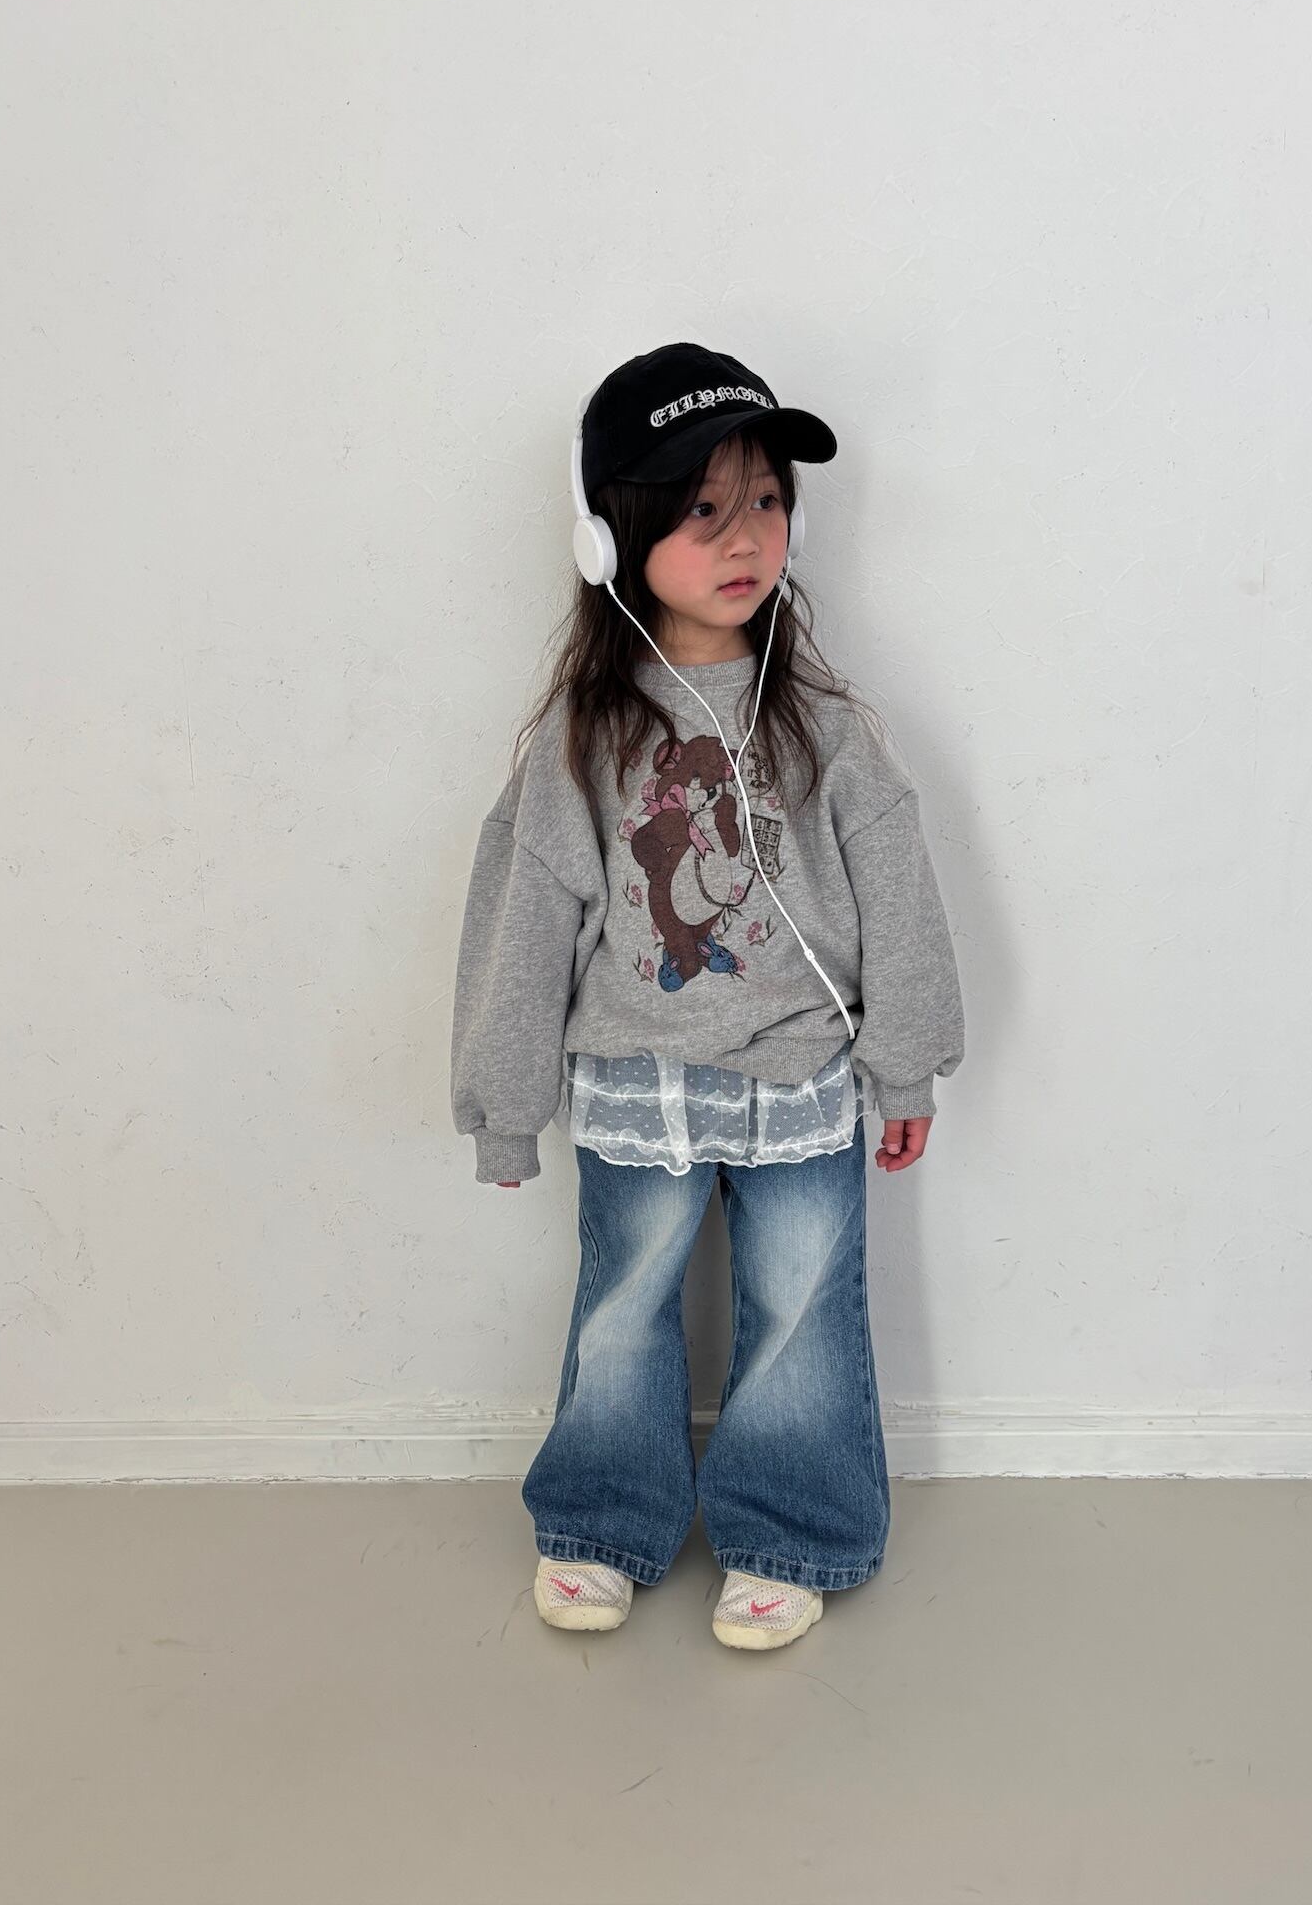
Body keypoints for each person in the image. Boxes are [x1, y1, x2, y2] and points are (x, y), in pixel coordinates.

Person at [450, 341, 965, 1650]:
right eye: (702, 510)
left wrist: (906, 1062)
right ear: (610, 538)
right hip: (640, 1081)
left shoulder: (830, 727)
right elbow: (525, 919)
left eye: (768, 501)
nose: (745, 538)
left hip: (801, 1082)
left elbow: (900, 894)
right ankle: (600, 1520)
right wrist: (504, 1105)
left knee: (800, 1313)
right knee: (623, 1309)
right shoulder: (585, 737)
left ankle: (789, 1528)